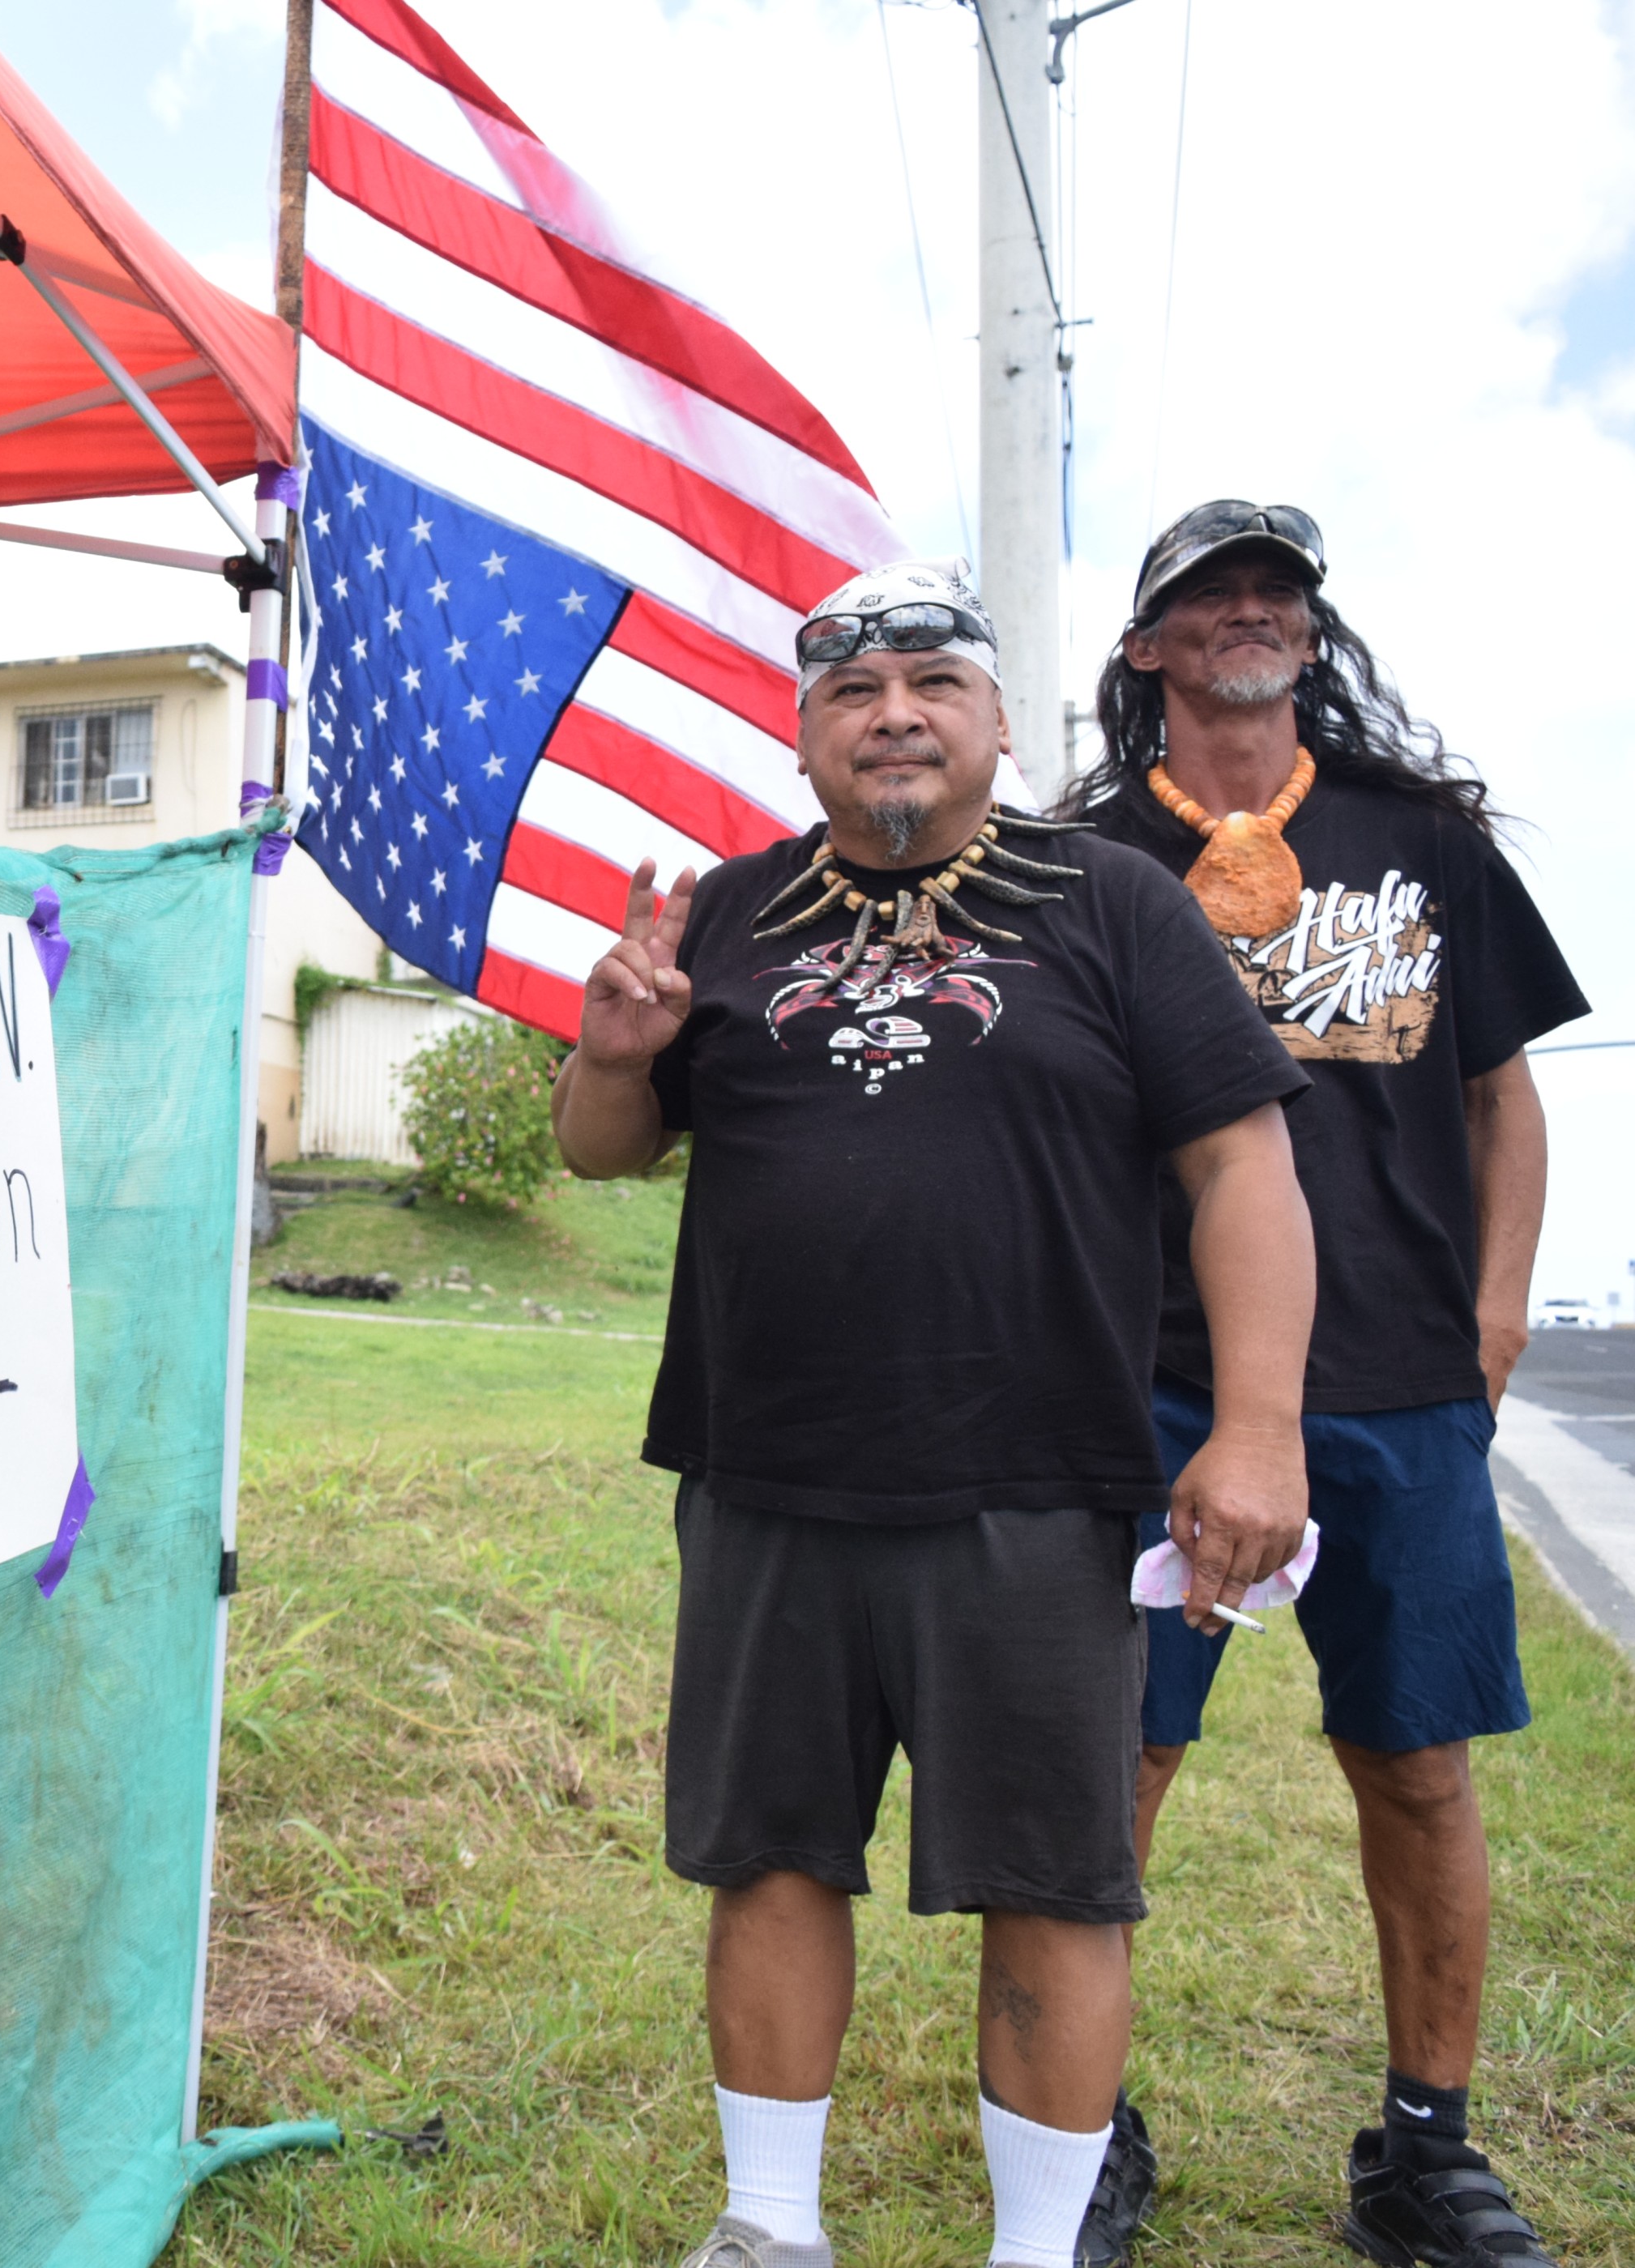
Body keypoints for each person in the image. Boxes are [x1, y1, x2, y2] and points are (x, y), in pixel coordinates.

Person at [551, 559, 1317, 2268]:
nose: (892, 711)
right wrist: (613, 1053)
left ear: (992, 720)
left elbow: (1239, 1159)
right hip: (764, 1477)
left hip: (1035, 1483)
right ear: (805, 730)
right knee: (770, 1851)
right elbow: (606, 1150)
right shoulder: (730, 913)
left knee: (1058, 1877)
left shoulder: (1115, 902)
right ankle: (767, 2224)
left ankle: (1036, 2248)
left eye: (931, 682)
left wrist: (1258, 1423)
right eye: (851, 689)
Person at [1071, 502, 1588, 2268]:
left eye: (1273, 593)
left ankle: (1424, 2155)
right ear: (1147, 650)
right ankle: (1080, 2132)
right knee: (1112, 1767)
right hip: (1142, 1382)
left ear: (1312, 629)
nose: (1244, 616)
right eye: (1204, 598)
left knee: (1421, 1768)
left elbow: (1504, 1094)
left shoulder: (1419, 838)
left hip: (1402, 1387)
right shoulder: (1080, 856)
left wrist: (1497, 1318)